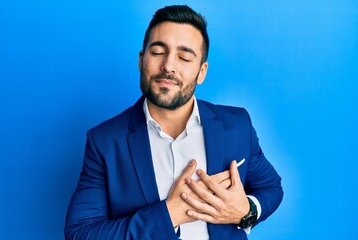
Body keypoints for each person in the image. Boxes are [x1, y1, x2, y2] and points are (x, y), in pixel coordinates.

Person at [65, 5, 283, 240]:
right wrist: (169, 214)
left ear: (202, 72)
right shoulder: (105, 141)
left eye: (184, 57)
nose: (168, 66)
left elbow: (271, 188)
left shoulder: (237, 125)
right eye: (158, 52)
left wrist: (245, 211)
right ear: (141, 60)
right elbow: (80, 233)